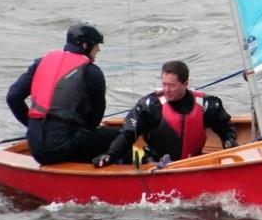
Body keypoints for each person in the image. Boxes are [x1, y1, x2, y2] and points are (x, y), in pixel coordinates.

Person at [6, 22, 120, 165]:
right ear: (85, 45)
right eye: (96, 45)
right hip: (64, 149)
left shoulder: (40, 63)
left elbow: (13, 97)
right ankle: (127, 170)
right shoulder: (91, 72)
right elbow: (95, 120)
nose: (98, 49)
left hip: (36, 147)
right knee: (124, 135)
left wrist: (32, 126)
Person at [93, 60, 238, 168]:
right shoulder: (150, 105)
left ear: (185, 84)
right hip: (155, 165)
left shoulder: (206, 104)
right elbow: (127, 134)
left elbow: (225, 126)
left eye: (172, 85)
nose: (166, 90)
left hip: (193, 163)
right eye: (164, 84)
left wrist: (229, 140)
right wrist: (110, 155)